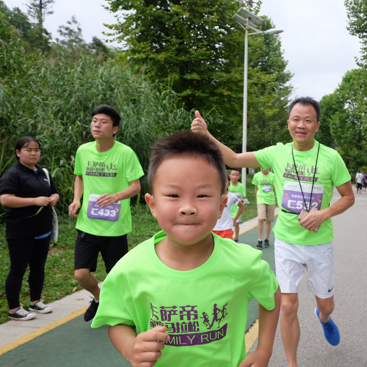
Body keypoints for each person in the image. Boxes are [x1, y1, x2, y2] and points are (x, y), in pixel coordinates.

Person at [91, 131, 281, 367]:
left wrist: (264, 350)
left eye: (202, 195)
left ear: (222, 205)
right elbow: (117, 321)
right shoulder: (130, 269)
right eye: (173, 195)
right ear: (152, 204)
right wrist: (130, 348)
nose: (188, 207)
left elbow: (271, 294)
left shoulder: (244, 262)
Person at [191, 96, 355, 367]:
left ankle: (323, 317)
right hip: (287, 241)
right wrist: (207, 134)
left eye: (308, 120)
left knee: (326, 304)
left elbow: (348, 197)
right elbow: (232, 158)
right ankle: (292, 363)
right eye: (296, 119)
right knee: (288, 305)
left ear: (317, 125)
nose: (301, 125)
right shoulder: (276, 153)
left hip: (319, 242)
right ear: (288, 122)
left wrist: (323, 214)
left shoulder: (331, 157)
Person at [68, 105, 144, 322]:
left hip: (115, 226)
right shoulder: (84, 150)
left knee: (117, 275)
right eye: (94, 121)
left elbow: (136, 186)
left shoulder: (125, 152)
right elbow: (80, 176)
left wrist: (116, 196)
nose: (96, 125)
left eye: (103, 122)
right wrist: (76, 200)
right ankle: (100, 298)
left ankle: (122, 308)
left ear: (114, 129)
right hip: (88, 224)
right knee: (81, 274)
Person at [0, 137, 59, 320]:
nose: (33, 153)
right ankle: (13, 309)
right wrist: (34, 201)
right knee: (18, 268)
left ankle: (35, 302)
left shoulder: (43, 173)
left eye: (37, 149)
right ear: (18, 153)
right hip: (20, 231)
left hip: (42, 230)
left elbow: (54, 191)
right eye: (28, 149)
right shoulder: (13, 174)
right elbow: (5, 199)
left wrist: (54, 197)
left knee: (38, 267)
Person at [213, 174, 244, 239]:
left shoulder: (232, 196)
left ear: (229, 184)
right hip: (213, 228)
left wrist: (235, 219)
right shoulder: (212, 195)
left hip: (227, 228)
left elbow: (241, 206)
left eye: (225, 181)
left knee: (226, 248)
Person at [252, 167, 276, 249]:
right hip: (261, 199)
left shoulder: (273, 176)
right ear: (259, 167)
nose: (263, 169)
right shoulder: (257, 175)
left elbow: (275, 188)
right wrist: (257, 199)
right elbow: (256, 188)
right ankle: (260, 239)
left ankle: (266, 238)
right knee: (261, 219)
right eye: (261, 167)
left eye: (265, 168)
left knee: (268, 221)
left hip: (271, 199)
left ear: (268, 168)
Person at [228, 169, 246, 243]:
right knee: (229, 223)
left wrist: (241, 201)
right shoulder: (228, 185)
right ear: (230, 176)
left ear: (239, 177)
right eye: (233, 175)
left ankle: (236, 238)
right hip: (229, 208)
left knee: (236, 223)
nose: (234, 177)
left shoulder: (241, 186)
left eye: (236, 175)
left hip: (237, 208)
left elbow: (244, 196)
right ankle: (229, 236)